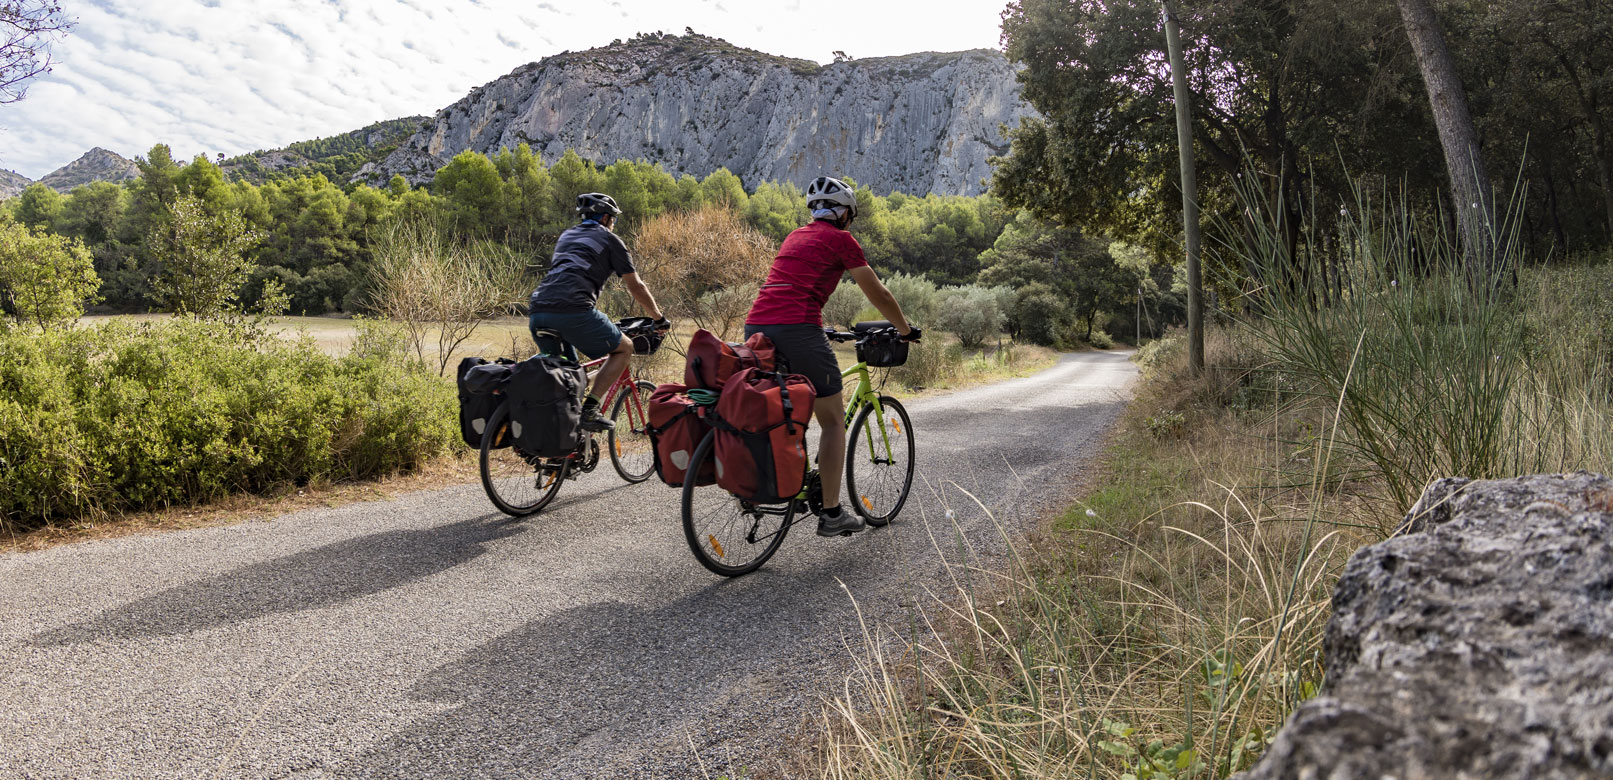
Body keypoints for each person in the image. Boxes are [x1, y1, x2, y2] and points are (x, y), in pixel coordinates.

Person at [744, 176, 921, 538]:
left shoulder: (795, 235)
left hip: (757, 326)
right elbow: (878, 293)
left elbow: (790, 285)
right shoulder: (841, 239)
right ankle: (832, 512)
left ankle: (775, 479)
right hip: (798, 328)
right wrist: (904, 329)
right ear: (844, 215)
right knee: (834, 421)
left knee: (789, 409)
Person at [529, 192, 668, 432]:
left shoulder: (566, 236)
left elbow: (569, 274)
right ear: (605, 218)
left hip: (538, 311)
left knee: (569, 379)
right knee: (624, 347)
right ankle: (591, 410)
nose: (613, 224)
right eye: (613, 219)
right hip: (573, 311)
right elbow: (636, 287)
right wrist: (658, 318)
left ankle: (559, 451)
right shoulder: (610, 241)